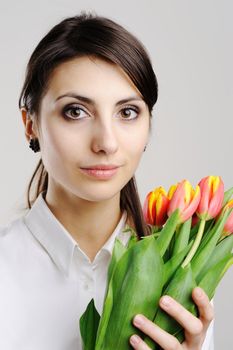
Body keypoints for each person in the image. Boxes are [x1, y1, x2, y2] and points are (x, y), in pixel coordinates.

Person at [0, 11, 214, 350]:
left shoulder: (180, 276)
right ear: (31, 124)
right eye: (76, 111)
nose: (107, 143)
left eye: (127, 112)